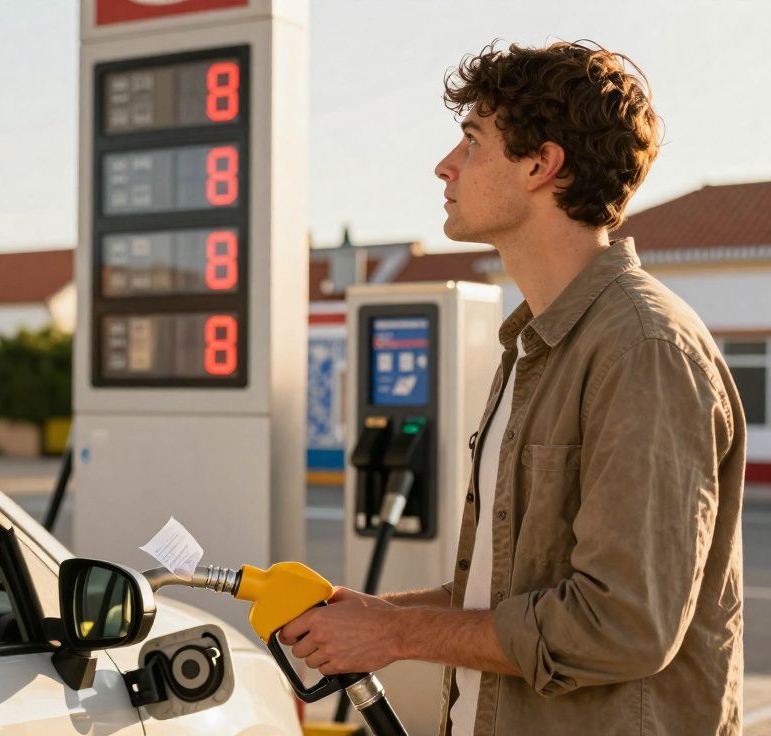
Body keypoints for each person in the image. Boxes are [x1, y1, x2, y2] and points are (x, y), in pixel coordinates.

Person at [279, 40, 745, 735]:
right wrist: (375, 617)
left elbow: (621, 625)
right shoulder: (531, 345)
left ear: (541, 164)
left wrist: (396, 637)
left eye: (471, 141)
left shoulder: (644, 348)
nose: (445, 165)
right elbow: (504, 597)